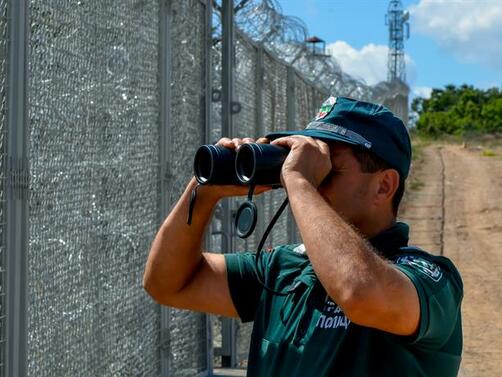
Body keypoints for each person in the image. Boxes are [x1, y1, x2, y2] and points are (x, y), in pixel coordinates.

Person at [143, 96, 463, 376]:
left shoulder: (431, 280)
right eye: (310, 165)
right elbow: (168, 283)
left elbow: (357, 291)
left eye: (328, 169)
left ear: (384, 186)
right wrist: (203, 192)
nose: (313, 177)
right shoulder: (284, 268)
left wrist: (299, 179)